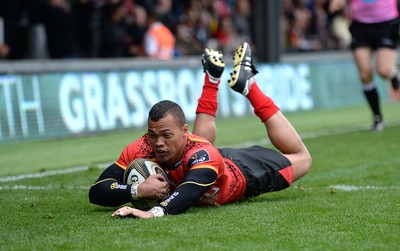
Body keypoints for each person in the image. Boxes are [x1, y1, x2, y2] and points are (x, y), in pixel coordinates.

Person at [88, 42, 312, 218]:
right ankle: (212, 78)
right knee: (193, 152)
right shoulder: (141, 147)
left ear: (186, 131)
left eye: (166, 135)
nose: (157, 143)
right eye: (153, 135)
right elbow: (97, 191)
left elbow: (187, 194)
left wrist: (151, 212)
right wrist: (136, 191)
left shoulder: (204, 155)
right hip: (202, 159)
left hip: (243, 173)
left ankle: (250, 87)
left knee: (303, 159)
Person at [329, 0, 400, 131]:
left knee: (383, 70)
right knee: (365, 74)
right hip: (360, 26)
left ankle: (394, 73)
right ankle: (377, 117)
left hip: (386, 23)